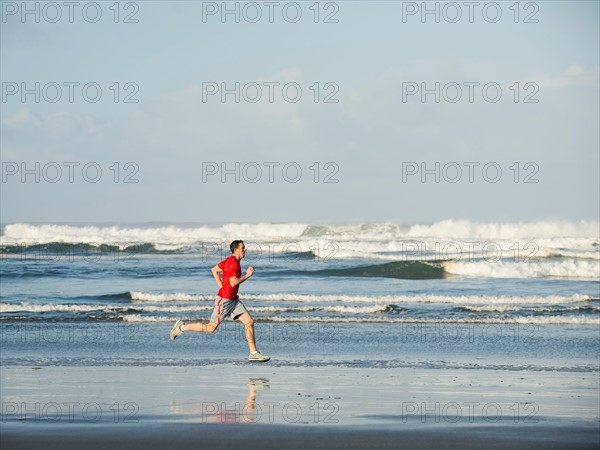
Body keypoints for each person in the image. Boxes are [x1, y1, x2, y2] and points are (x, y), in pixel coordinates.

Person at [169, 240, 270, 362]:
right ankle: (181, 327)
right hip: (224, 301)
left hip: (233, 299)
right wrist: (247, 275)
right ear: (236, 250)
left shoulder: (229, 260)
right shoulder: (234, 264)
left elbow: (214, 270)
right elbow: (233, 282)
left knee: (249, 322)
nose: (245, 250)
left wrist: (221, 285)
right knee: (210, 328)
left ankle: (253, 353)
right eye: (243, 248)